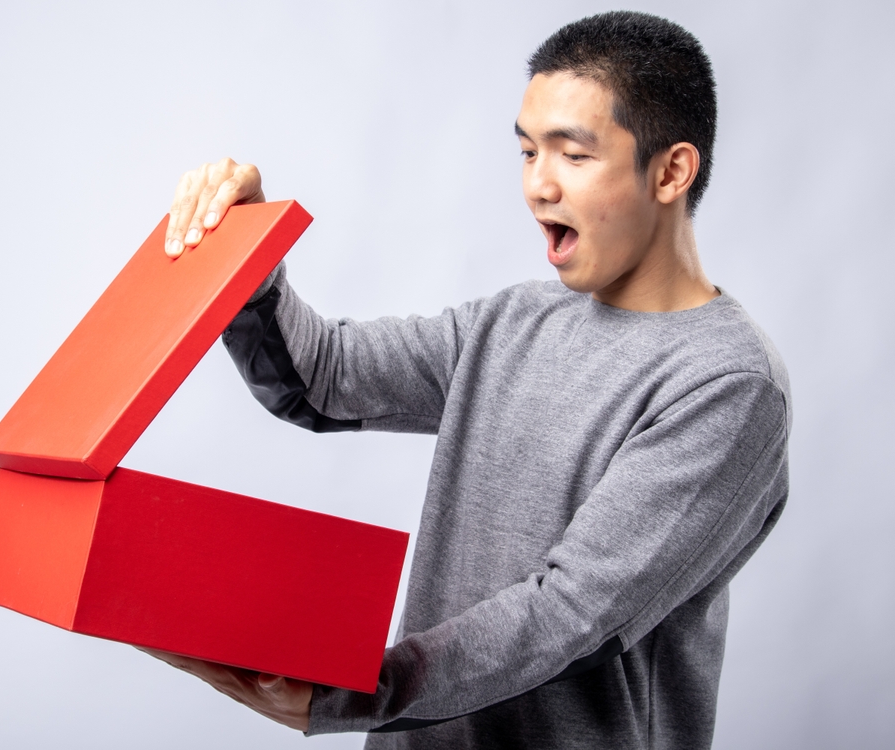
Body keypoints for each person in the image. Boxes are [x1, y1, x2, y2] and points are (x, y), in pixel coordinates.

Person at [141, 10, 791, 749]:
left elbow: (575, 615)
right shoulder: (513, 322)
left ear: (670, 170)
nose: (538, 187)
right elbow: (320, 380)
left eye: (572, 156)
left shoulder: (729, 386)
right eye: (526, 152)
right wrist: (247, 257)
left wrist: (360, 689)